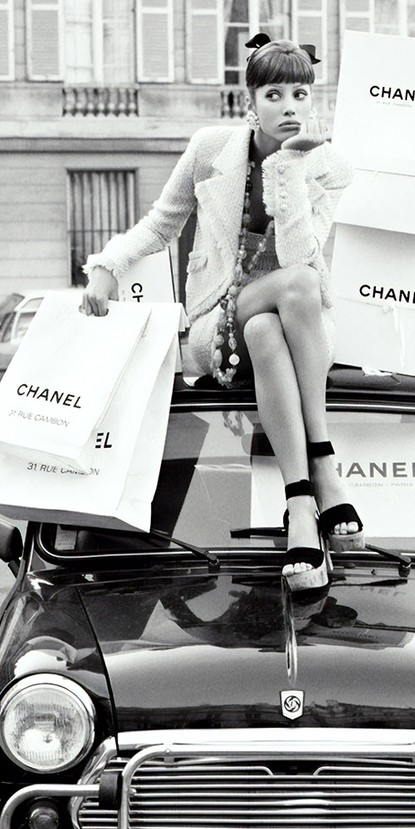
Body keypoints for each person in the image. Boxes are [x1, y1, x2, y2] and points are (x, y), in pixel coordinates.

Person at [81, 34, 363, 592]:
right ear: (249, 104)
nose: (289, 107)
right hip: (215, 319)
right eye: (274, 94)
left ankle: (300, 502)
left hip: (289, 322)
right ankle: (325, 461)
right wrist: (107, 266)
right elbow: (162, 224)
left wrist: (289, 169)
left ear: (314, 101)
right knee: (296, 289)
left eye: (301, 94)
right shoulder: (210, 149)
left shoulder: (330, 167)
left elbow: (299, 255)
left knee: (272, 319)